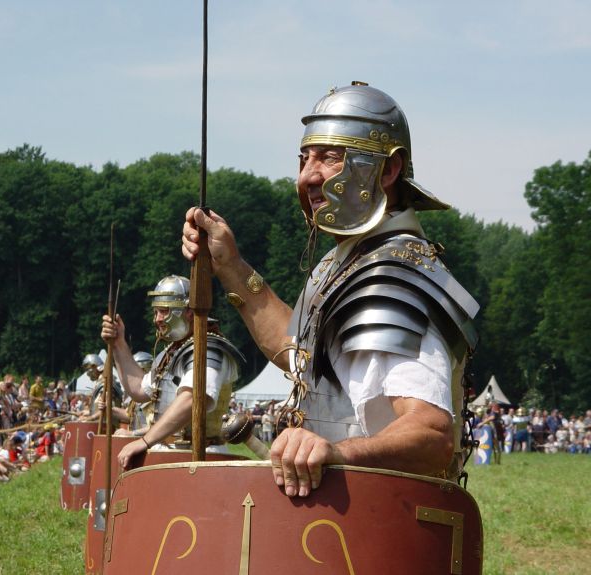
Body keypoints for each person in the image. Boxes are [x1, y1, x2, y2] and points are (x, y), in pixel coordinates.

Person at [182, 82, 479, 497]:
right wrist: (230, 266)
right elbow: (299, 354)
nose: (308, 176)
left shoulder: (391, 279)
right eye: (304, 159)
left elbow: (431, 435)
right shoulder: (349, 264)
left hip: (380, 528)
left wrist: (336, 453)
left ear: (388, 170)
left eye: (330, 158)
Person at [101, 274, 244, 468]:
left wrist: (144, 440)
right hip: (171, 456)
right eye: (156, 312)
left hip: (199, 457)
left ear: (188, 312)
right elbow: (139, 390)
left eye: (164, 312)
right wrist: (119, 344)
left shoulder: (208, 348)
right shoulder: (170, 353)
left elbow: (193, 399)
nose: (157, 319)